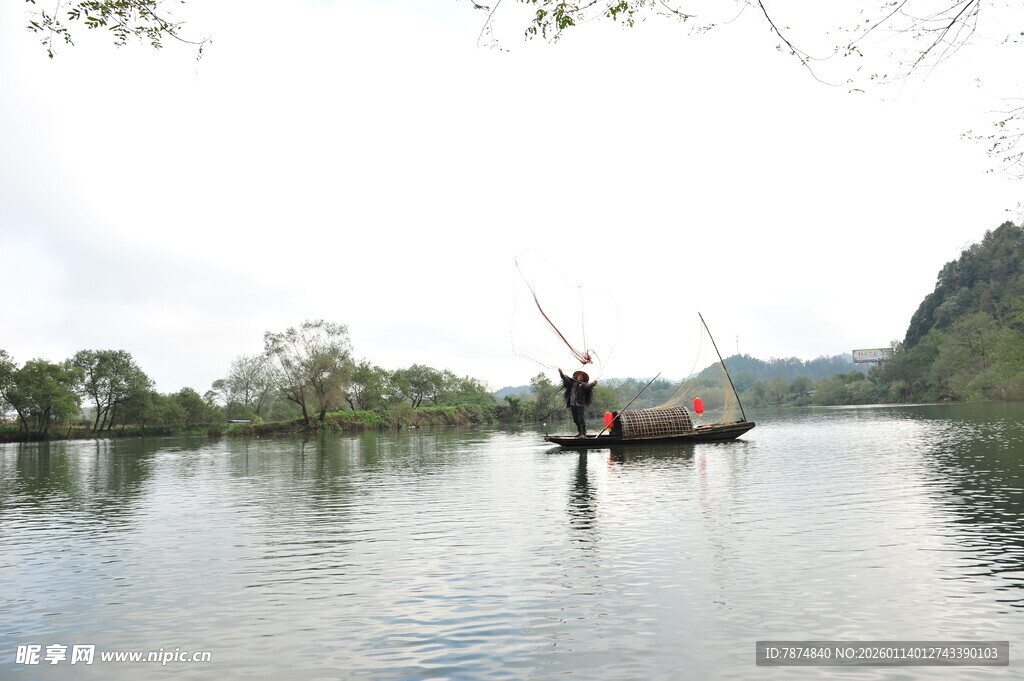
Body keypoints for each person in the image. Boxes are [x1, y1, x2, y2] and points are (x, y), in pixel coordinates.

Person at [558, 368, 598, 437]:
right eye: (579, 376)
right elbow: (564, 378)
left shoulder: (583, 384)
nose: (580, 377)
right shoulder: (571, 382)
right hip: (572, 403)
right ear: (577, 376)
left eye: (581, 376)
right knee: (575, 419)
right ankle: (580, 432)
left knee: (580, 419)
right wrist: (561, 373)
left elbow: (588, 386)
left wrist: (593, 383)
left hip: (580, 404)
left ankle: (583, 433)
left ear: (583, 378)